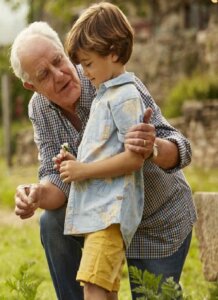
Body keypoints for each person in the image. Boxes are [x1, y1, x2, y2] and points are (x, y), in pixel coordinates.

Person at [10, 18, 196, 300]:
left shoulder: (109, 77)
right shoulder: (40, 109)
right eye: (44, 75)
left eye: (59, 61)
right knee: (51, 221)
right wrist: (35, 195)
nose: (59, 75)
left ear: (65, 51)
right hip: (103, 222)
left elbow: (181, 147)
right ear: (31, 85)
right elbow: (56, 179)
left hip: (156, 220)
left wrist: (152, 145)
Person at [52, 3, 146, 299]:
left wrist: (84, 171)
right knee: (101, 288)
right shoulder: (105, 95)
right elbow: (108, 151)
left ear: (114, 53)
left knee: (94, 287)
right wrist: (75, 163)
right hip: (100, 213)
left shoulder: (125, 96)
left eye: (89, 64)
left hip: (111, 214)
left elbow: (134, 158)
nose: (84, 72)